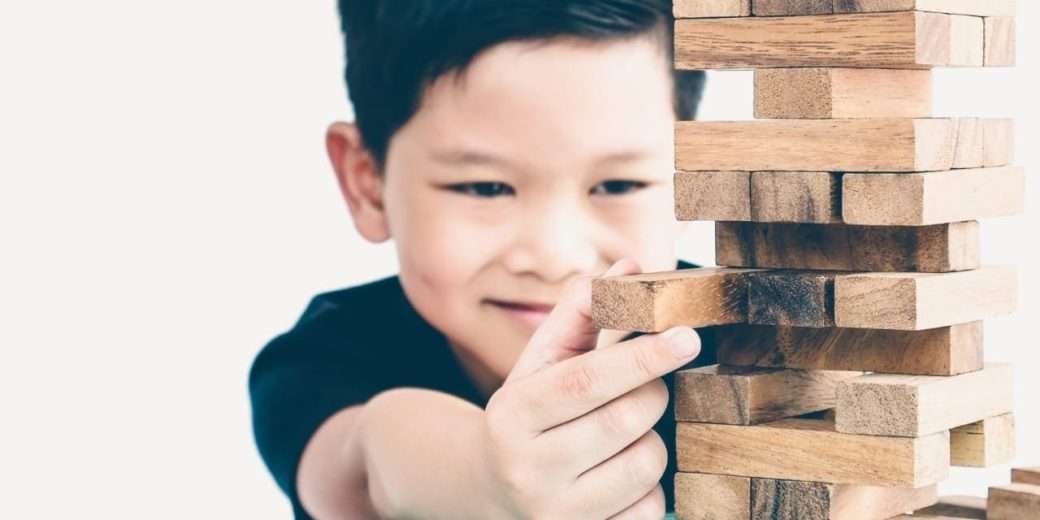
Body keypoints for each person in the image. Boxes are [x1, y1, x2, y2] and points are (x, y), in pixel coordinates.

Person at [249, 1, 714, 517]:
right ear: (368, 185)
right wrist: (485, 478)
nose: (554, 257)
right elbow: (362, 463)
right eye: (486, 187)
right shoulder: (326, 358)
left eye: (618, 184)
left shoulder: (755, 342)